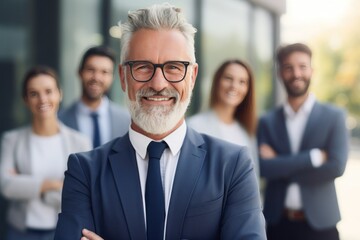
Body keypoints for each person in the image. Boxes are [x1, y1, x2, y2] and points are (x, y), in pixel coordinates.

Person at [54, 3, 266, 240]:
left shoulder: (232, 165)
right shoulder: (85, 171)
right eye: (143, 67)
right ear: (123, 77)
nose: (158, 84)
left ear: (192, 77)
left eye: (173, 67)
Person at [257, 43, 349, 240]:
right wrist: (313, 157)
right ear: (280, 73)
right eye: (289, 67)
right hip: (277, 224)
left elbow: (336, 167)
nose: (296, 73)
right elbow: (264, 168)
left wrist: (280, 163)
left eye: (302, 66)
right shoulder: (267, 121)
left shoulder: (335, 117)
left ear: (312, 71)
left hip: (321, 225)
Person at [0, 66, 91, 240]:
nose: (42, 99)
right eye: (34, 93)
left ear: (59, 94)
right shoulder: (11, 140)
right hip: (20, 233)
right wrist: (54, 185)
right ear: (25, 99)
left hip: (64, 232)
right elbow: (6, 185)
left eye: (48, 91)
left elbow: (82, 194)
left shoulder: (80, 142)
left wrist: (25, 183)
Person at [187, 59, 259, 177]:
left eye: (242, 82)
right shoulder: (194, 126)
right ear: (217, 81)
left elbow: (254, 177)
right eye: (228, 78)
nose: (234, 86)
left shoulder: (246, 131)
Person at [59, 45, 130, 148]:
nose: (96, 77)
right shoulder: (60, 121)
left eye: (104, 72)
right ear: (80, 72)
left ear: (112, 77)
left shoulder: (126, 120)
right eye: (91, 70)